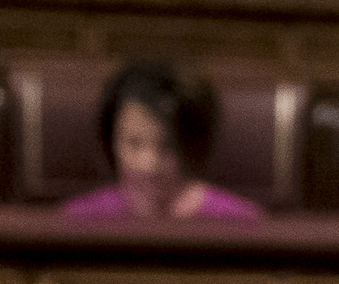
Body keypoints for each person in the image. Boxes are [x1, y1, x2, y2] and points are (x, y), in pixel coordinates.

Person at [61, 59, 265, 220]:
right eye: (134, 143)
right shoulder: (78, 221)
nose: (148, 163)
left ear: (193, 145)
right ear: (111, 141)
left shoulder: (240, 224)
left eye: (167, 146)